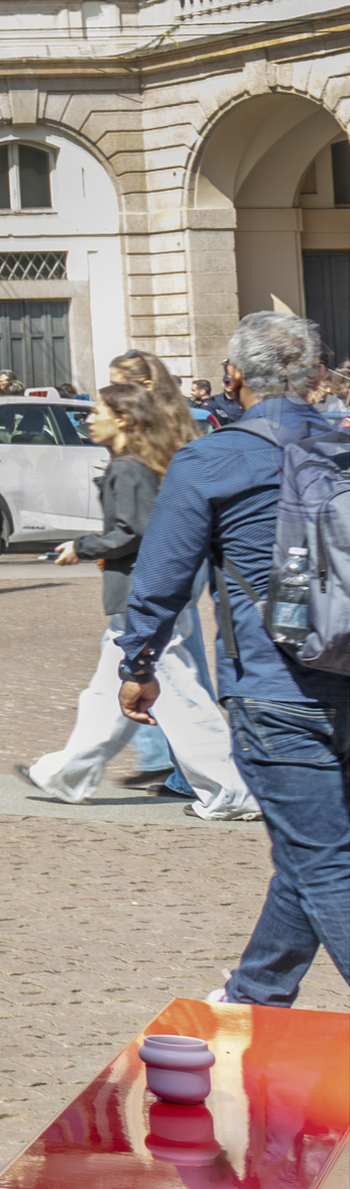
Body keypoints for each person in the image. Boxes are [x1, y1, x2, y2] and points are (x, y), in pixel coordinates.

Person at [119, 313, 350, 1004]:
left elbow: (160, 578)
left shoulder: (211, 459)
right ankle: (254, 993)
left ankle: (255, 992)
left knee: (321, 858)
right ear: (315, 379)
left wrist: (138, 666)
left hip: (271, 686)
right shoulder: (342, 447)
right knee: (309, 847)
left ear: (232, 379)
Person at [27, 375, 248, 815]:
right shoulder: (134, 464)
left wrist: (82, 547)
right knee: (105, 694)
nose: (89, 420)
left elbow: (135, 531)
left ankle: (231, 790)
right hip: (143, 596)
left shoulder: (128, 468)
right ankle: (68, 773)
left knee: (177, 695)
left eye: (98, 412)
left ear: (123, 419)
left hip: (142, 597)